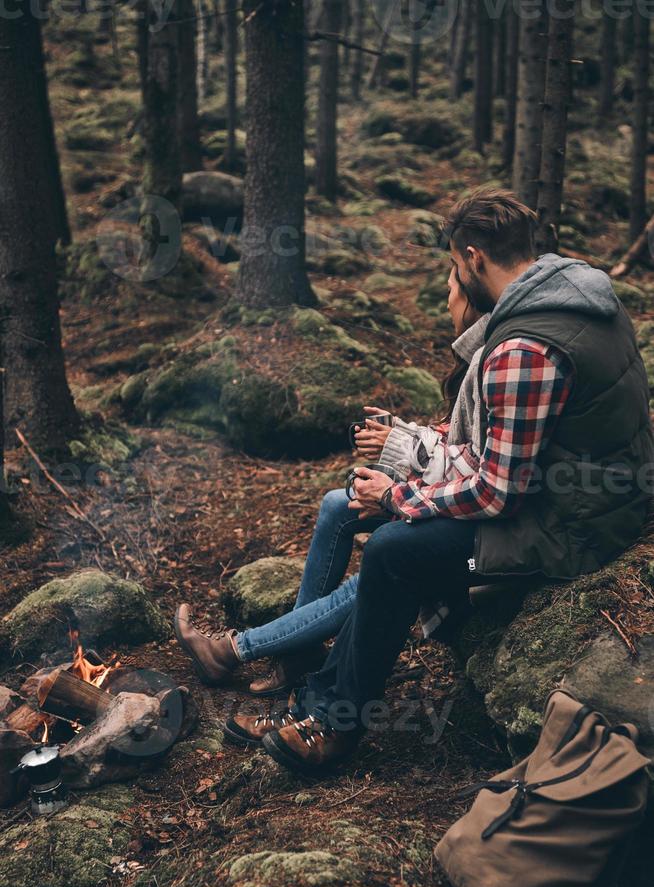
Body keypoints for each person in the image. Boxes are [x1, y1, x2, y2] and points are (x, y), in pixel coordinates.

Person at [186, 188, 654, 775]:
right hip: (574, 499)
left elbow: (496, 490)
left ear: (475, 257)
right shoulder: (571, 297)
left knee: (395, 550)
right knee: (371, 522)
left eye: (456, 269)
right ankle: (306, 692)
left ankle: (333, 726)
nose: (454, 283)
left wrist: (398, 494)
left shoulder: (525, 346)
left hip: (574, 526)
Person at [174, 269, 485, 714]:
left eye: (451, 285)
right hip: (457, 498)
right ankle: (298, 652)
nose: (446, 297)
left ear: (473, 292)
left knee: (383, 558)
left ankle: (232, 651)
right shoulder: (476, 353)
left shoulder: (499, 357)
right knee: (339, 504)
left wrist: (397, 470)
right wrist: (403, 432)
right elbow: (458, 441)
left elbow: (480, 473)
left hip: (472, 526)